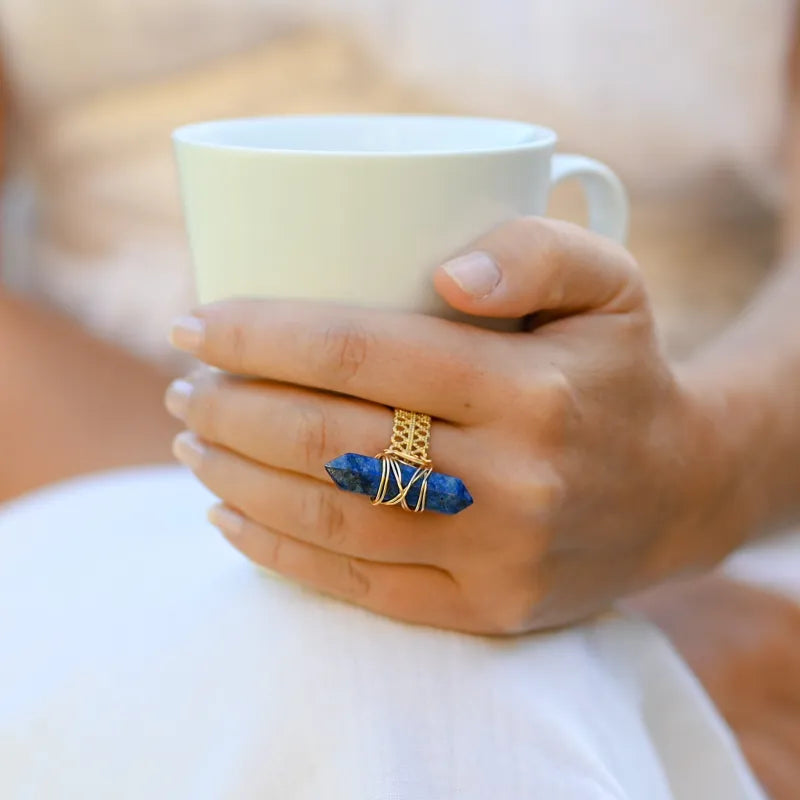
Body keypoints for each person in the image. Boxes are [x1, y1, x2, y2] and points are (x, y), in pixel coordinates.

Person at [0, 2, 798, 797]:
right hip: (77, 452)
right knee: (365, 675)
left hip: (717, 486)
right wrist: (284, 484)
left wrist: (689, 488)